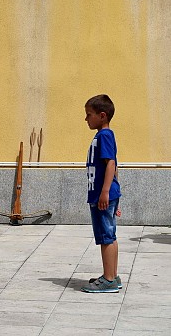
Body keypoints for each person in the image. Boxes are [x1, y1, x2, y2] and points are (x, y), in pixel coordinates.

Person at [81, 94, 122, 293]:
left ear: (102, 115)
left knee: (106, 236)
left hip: (102, 196)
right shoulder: (104, 136)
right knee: (109, 235)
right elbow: (115, 165)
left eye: (89, 115)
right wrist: (115, 193)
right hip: (105, 195)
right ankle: (112, 275)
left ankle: (109, 279)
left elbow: (111, 164)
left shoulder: (104, 135)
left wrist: (105, 192)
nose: (86, 119)